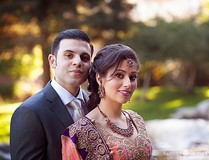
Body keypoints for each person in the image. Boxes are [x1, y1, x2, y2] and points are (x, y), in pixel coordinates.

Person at [10, 29, 94, 160]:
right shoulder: (29, 112)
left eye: (84, 57)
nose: (77, 62)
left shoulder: (96, 102)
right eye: (69, 55)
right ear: (52, 61)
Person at [61, 43, 152, 160]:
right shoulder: (79, 133)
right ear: (99, 79)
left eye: (132, 77)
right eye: (119, 75)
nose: (128, 84)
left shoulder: (136, 120)